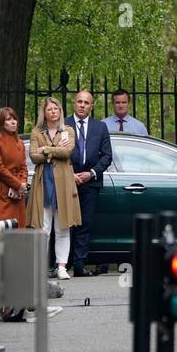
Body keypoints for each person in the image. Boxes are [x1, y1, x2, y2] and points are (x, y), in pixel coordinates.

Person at [27, 97, 81, 280]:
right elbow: (33, 157)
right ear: (44, 112)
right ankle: (40, 267)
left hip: (63, 183)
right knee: (43, 227)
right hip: (44, 182)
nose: (53, 111)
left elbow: (67, 152)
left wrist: (46, 150)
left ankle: (61, 267)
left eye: (56, 108)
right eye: (50, 109)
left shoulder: (68, 130)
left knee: (63, 227)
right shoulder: (36, 132)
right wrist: (53, 149)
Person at [65, 90, 113, 276]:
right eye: (79, 102)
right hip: (67, 181)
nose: (82, 105)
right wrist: (71, 175)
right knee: (65, 224)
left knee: (85, 224)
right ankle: (62, 264)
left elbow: (107, 156)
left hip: (90, 182)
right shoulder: (64, 125)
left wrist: (91, 173)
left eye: (86, 102)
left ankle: (79, 265)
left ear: (92, 106)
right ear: (74, 103)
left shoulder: (100, 127)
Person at [0, 107, 28, 229]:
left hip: (17, 195)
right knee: (0, 233)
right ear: (1, 122)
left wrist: (22, 183)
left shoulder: (19, 143)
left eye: (14, 119)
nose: (13, 122)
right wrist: (17, 185)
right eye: (9, 119)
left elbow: (23, 167)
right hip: (0, 193)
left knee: (18, 234)